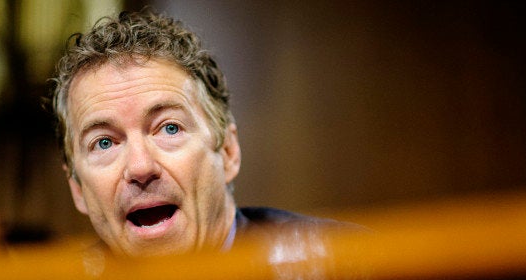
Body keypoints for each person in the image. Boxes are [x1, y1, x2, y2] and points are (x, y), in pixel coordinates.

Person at [50, 10, 357, 258]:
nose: (141, 168)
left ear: (228, 151)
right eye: (104, 143)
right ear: (78, 190)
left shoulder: (344, 268)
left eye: (169, 128)